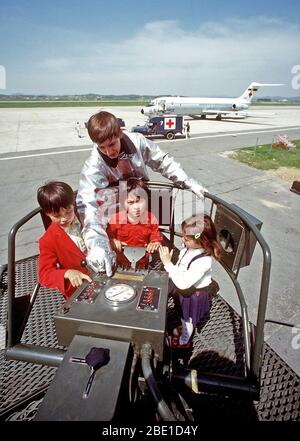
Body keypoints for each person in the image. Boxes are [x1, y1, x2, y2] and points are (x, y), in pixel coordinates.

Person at [76, 111, 206, 276]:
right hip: (117, 215)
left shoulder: (136, 141)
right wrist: (97, 245)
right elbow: (90, 207)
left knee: (157, 242)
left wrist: (186, 181)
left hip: (141, 204)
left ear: (120, 133)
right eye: (102, 147)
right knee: (115, 259)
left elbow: (162, 160)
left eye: (112, 144)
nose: (108, 152)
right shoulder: (93, 166)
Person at [159, 213, 221, 347]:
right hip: (183, 286)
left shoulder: (204, 261)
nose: (182, 240)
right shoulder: (191, 247)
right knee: (180, 310)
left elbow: (183, 283)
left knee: (188, 319)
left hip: (193, 293)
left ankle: (185, 339)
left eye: (186, 239)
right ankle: (180, 322)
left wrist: (168, 264)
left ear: (201, 240)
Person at [37, 181, 92, 299]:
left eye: (68, 212)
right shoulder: (47, 240)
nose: (64, 219)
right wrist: (67, 273)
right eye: (56, 216)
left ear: (73, 204)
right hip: (80, 288)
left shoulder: (87, 217)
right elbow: (44, 274)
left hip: (103, 273)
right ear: (47, 213)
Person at [106, 178, 162, 269]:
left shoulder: (151, 218)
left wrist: (155, 243)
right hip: (120, 264)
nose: (136, 207)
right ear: (123, 203)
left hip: (143, 264)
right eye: (130, 203)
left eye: (139, 201)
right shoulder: (115, 219)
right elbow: (107, 238)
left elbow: (156, 239)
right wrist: (112, 241)